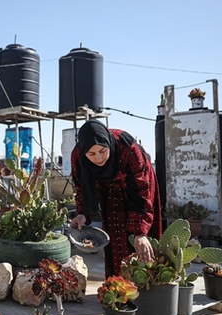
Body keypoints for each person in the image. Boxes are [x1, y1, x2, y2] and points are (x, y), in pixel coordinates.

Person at [69, 120, 162, 279]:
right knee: (114, 238)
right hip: (107, 190)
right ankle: (119, 286)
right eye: (91, 154)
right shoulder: (78, 156)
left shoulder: (128, 149)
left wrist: (141, 233)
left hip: (138, 188)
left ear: (109, 144)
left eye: (103, 151)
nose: (99, 158)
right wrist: (82, 213)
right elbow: (81, 187)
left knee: (141, 241)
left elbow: (143, 192)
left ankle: (148, 289)